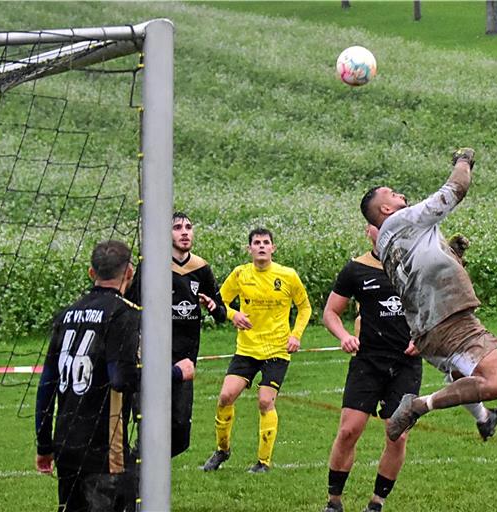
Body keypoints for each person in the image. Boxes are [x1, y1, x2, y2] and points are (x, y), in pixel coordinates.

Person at [359, 147, 497, 442]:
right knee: (496, 383)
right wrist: (464, 160)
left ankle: (484, 418)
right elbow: (456, 188)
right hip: (451, 322)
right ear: (385, 210)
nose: (398, 193)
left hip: (428, 333)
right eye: (390, 193)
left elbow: (423, 269)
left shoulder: (391, 242)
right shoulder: (403, 220)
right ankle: (418, 405)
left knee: (464, 378)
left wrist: (452, 253)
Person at [321, 224, 422, 512]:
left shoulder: (416, 264)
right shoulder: (356, 269)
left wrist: (422, 339)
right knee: (349, 431)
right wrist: (344, 336)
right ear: (369, 230)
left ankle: (376, 504)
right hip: (367, 361)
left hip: (406, 364)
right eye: (380, 225)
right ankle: (334, 502)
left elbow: (438, 307)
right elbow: (331, 312)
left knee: (397, 433)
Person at [35, 240, 140, 512]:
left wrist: (44, 444)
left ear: (91, 273)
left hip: (66, 442)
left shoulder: (66, 315)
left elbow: (46, 385)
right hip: (105, 450)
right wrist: (175, 372)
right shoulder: (123, 314)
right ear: (130, 272)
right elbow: (121, 378)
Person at [202, 227, 312, 474]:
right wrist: (234, 315)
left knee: (265, 401)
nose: (261, 246)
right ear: (249, 249)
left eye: (266, 242)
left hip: (277, 350)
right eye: (256, 242)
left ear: (273, 248)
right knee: (225, 397)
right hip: (247, 350)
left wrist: (296, 335)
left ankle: (263, 463)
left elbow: (304, 307)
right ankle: (222, 450)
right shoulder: (240, 274)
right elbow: (219, 303)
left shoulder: (288, 275)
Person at [126, 211, 227, 457]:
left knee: (180, 435)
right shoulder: (151, 266)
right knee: (148, 424)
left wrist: (213, 307)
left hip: (184, 362)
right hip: (151, 357)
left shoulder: (201, 268)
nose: (184, 232)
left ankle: (140, 461)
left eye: (188, 227)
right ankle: (138, 473)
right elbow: (129, 306)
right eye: (177, 227)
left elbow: (222, 312)